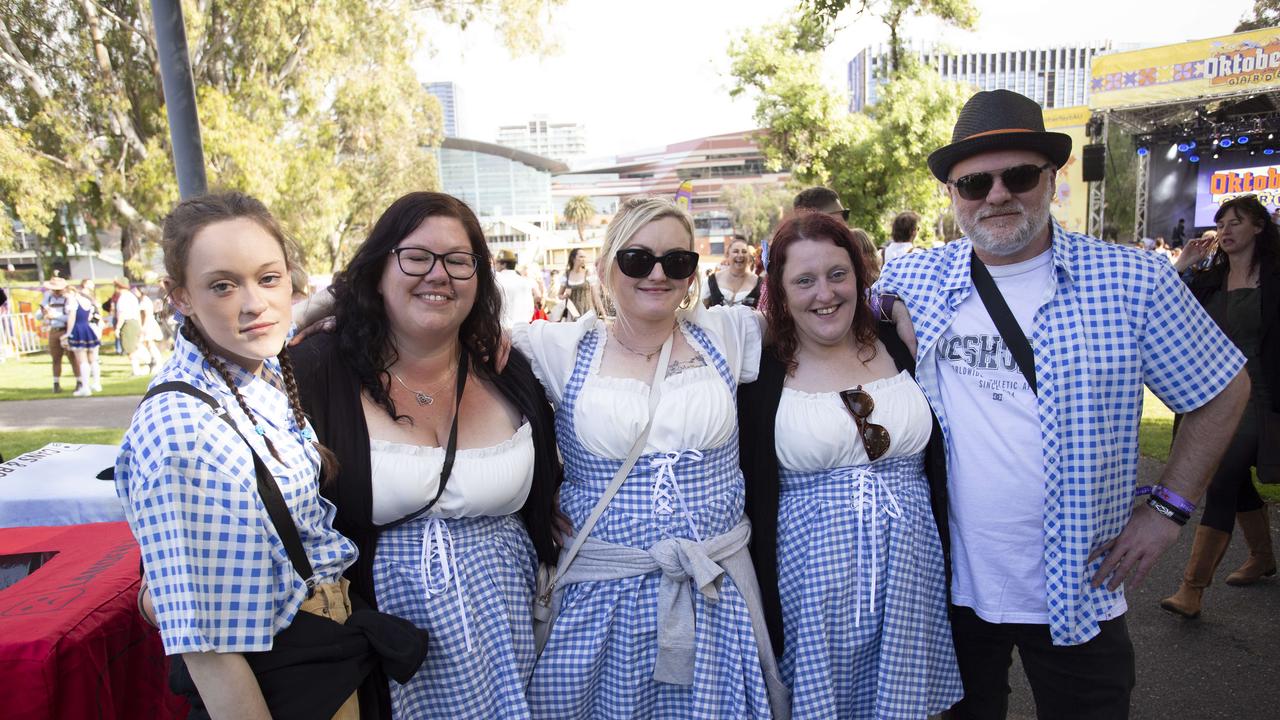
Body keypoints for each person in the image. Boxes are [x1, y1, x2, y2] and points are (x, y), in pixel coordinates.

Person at [878, 89, 1250, 719]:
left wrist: (1168, 509)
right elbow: (826, 305)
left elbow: (1224, 388)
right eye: (974, 184)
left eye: (1018, 175)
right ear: (952, 196)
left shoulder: (1135, 281)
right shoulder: (918, 277)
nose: (996, 195)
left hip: (1081, 587)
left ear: (1052, 179)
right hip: (949, 590)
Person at [290, 191, 561, 719]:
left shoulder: (508, 369)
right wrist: (323, 307)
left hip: (512, 636)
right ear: (378, 268)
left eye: (459, 261)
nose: (439, 274)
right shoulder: (317, 371)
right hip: (381, 648)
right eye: (416, 256)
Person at [516, 197, 785, 719]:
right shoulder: (559, 346)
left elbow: (818, 318)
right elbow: (461, 346)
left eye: (677, 262)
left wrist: (888, 311)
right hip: (598, 599)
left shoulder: (730, 333)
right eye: (638, 259)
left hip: (714, 592)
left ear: (692, 274)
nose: (657, 274)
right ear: (604, 266)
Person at [115, 193, 363, 719]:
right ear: (180, 297)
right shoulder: (185, 430)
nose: (255, 304)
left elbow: (282, 316)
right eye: (223, 286)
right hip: (267, 683)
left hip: (317, 656)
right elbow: (207, 646)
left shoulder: (249, 363)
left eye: (268, 278)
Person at [738, 211, 961, 718]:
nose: (825, 294)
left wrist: (892, 300)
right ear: (780, 288)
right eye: (804, 280)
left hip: (911, 569)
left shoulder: (900, 343)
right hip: (808, 583)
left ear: (860, 276)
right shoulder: (759, 370)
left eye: (838, 274)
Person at [1161, 194, 1279, 618]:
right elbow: (1162, 307)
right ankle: (1263, 557)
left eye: (1237, 222)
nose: (1226, 230)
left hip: (1261, 396)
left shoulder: (1275, 279)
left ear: (1259, 228)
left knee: (1224, 473)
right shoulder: (1208, 278)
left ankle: (1191, 588)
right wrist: (1184, 264)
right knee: (1232, 478)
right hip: (1210, 395)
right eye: (1222, 223)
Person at [40, 275, 77, 392]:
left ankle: (79, 381)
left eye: (58, 289)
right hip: (54, 330)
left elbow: (70, 317)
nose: (56, 292)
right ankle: (56, 384)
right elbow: (41, 312)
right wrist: (44, 314)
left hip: (66, 330)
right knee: (56, 358)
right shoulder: (48, 297)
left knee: (73, 357)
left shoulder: (68, 298)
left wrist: (54, 316)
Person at [66, 279, 103, 396]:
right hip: (87, 328)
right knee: (92, 358)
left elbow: (71, 317)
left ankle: (85, 387)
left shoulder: (73, 300)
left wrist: (68, 333)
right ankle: (97, 383)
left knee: (82, 360)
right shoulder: (87, 300)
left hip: (78, 328)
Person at [703, 235, 762, 308]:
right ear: (728, 254)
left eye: (744, 252)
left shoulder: (760, 284)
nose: (740, 255)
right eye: (735, 251)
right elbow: (701, 311)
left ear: (749, 256)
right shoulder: (711, 281)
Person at [495, 248, 539, 328]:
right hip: (523, 329)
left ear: (503, 264)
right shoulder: (526, 281)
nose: (495, 265)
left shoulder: (496, 281)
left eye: (497, 262)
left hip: (502, 330)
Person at [558, 248, 604, 320]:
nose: (584, 259)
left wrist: (603, 314)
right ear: (573, 258)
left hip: (587, 312)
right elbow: (559, 295)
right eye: (581, 257)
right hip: (572, 313)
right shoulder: (566, 275)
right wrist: (565, 296)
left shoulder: (588, 273)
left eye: (585, 257)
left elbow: (595, 296)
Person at [114, 276, 147, 375]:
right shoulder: (132, 296)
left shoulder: (123, 298)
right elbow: (137, 313)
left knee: (130, 347)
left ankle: (147, 361)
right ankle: (139, 368)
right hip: (135, 322)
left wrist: (117, 328)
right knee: (134, 346)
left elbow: (122, 314)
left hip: (128, 323)